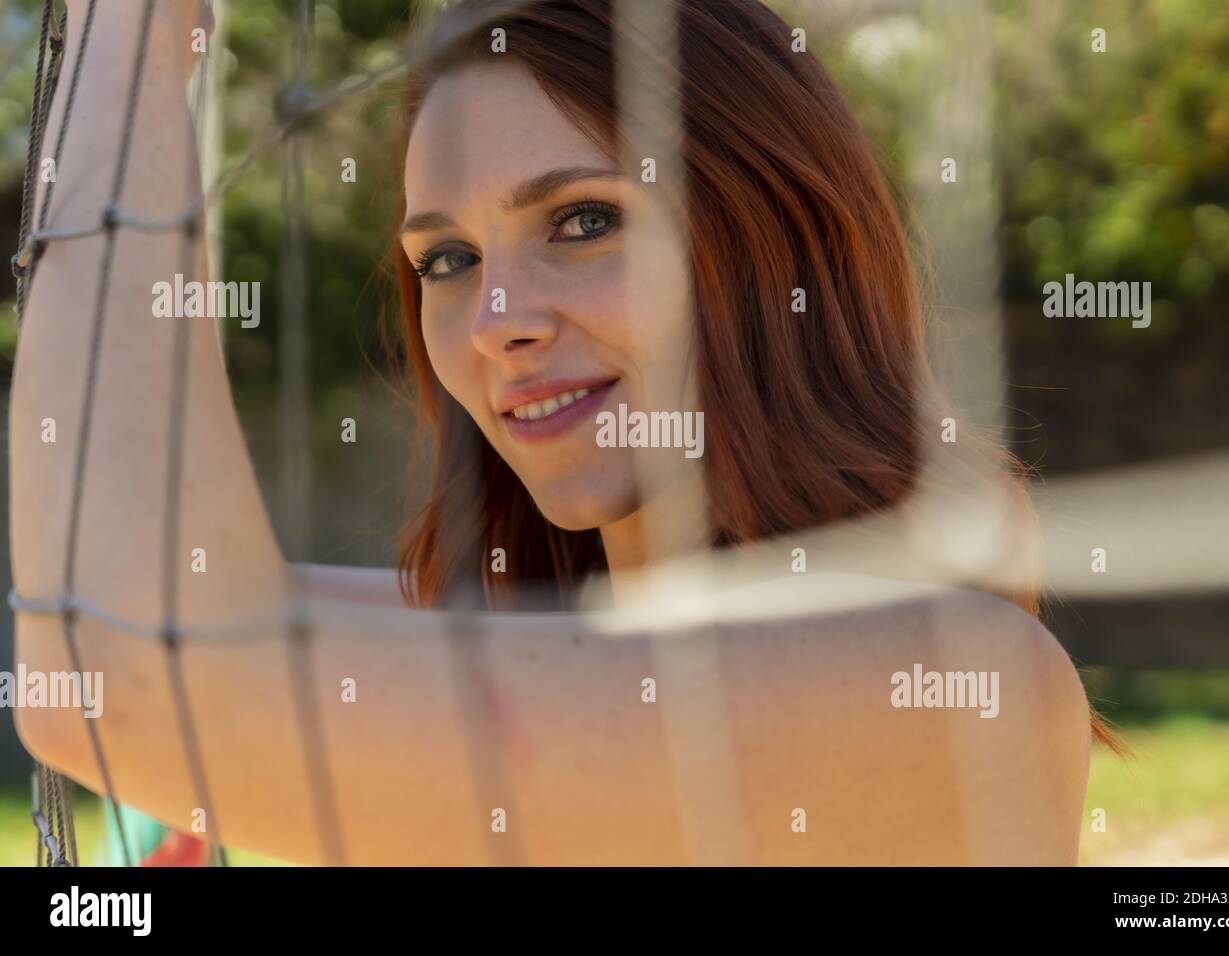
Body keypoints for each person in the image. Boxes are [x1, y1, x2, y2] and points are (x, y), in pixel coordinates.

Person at [11, 0, 1098, 865]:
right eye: (447, 259)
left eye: (583, 220)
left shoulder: (955, 679)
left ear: (778, 242)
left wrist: (133, 36)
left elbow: (126, 665)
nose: (495, 323)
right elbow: (113, 622)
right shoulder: (536, 621)